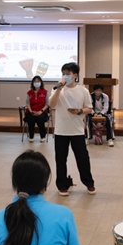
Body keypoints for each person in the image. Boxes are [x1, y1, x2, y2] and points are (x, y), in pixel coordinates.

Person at [49, 62, 95, 196]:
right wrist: (58, 89)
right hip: (61, 131)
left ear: (75, 75)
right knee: (60, 159)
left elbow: (89, 108)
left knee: (83, 159)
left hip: (77, 130)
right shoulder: (57, 89)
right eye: (63, 74)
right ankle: (62, 185)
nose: (65, 76)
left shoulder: (83, 90)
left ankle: (89, 183)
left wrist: (80, 111)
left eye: (68, 74)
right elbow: (52, 104)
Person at [24, 76, 49, 143]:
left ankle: (42, 136)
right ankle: (31, 136)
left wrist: (41, 111)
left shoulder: (45, 92)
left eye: (38, 81)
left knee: (40, 118)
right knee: (30, 118)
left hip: (42, 111)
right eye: (35, 81)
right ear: (32, 83)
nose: (36, 82)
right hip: (31, 111)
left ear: (41, 82)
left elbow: (47, 104)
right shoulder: (29, 93)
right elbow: (27, 103)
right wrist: (31, 111)